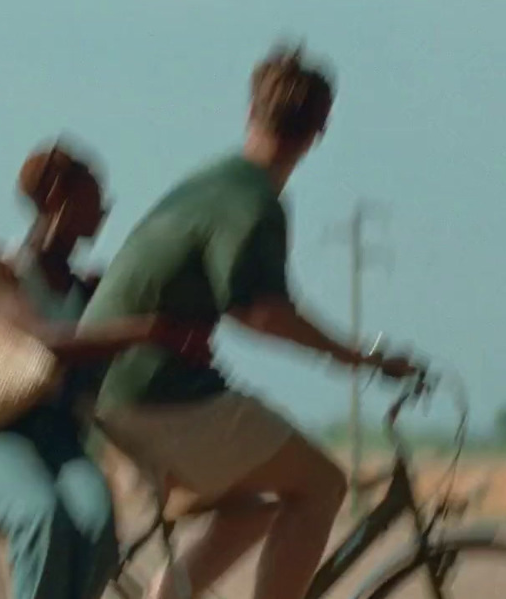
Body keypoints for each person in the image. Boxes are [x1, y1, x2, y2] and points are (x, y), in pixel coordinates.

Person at [77, 44, 421, 599]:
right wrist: (362, 358)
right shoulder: (254, 201)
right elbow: (259, 312)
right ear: (319, 132)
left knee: (250, 509)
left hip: (114, 384)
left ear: (250, 113)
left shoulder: (213, 182)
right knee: (321, 485)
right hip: (154, 394)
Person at [0, 141, 212, 599]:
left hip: (60, 441)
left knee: (96, 523)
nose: (103, 212)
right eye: (93, 200)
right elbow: (46, 339)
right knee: (41, 517)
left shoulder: (87, 289)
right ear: (55, 200)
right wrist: (147, 329)